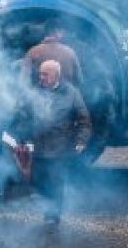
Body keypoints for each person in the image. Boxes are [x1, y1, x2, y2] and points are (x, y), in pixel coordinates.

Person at [19, 60, 91, 226]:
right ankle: (47, 209)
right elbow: (23, 116)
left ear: (57, 76)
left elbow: (84, 121)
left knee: (56, 183)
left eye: (45, 74)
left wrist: (81, 141)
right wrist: (21, 136)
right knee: (39, 182)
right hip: (37, 147)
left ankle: (53, 215)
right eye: (40, 74)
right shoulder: (34, 91)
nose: (41, 77)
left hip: (59, 149)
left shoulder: (71, 93)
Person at [21, 19, 82, 87]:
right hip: (65, 96)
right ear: (57, 32)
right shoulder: (71, 53)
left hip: (38, 95)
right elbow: (79, 81)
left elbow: (23, 80)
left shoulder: (33, 52)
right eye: (62, 31)